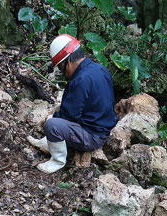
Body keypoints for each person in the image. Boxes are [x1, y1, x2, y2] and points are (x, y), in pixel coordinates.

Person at [27, 34, 118, 174]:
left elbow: (69, 116)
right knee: (54, 121)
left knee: (52, 124)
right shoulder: (100, 69)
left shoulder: (80, 80)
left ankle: (57, 160)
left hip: (93, 136)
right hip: (102, 127)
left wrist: (52, 122)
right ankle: (49, 143)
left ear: (67, 62)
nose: (63, 73)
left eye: (61, 68)